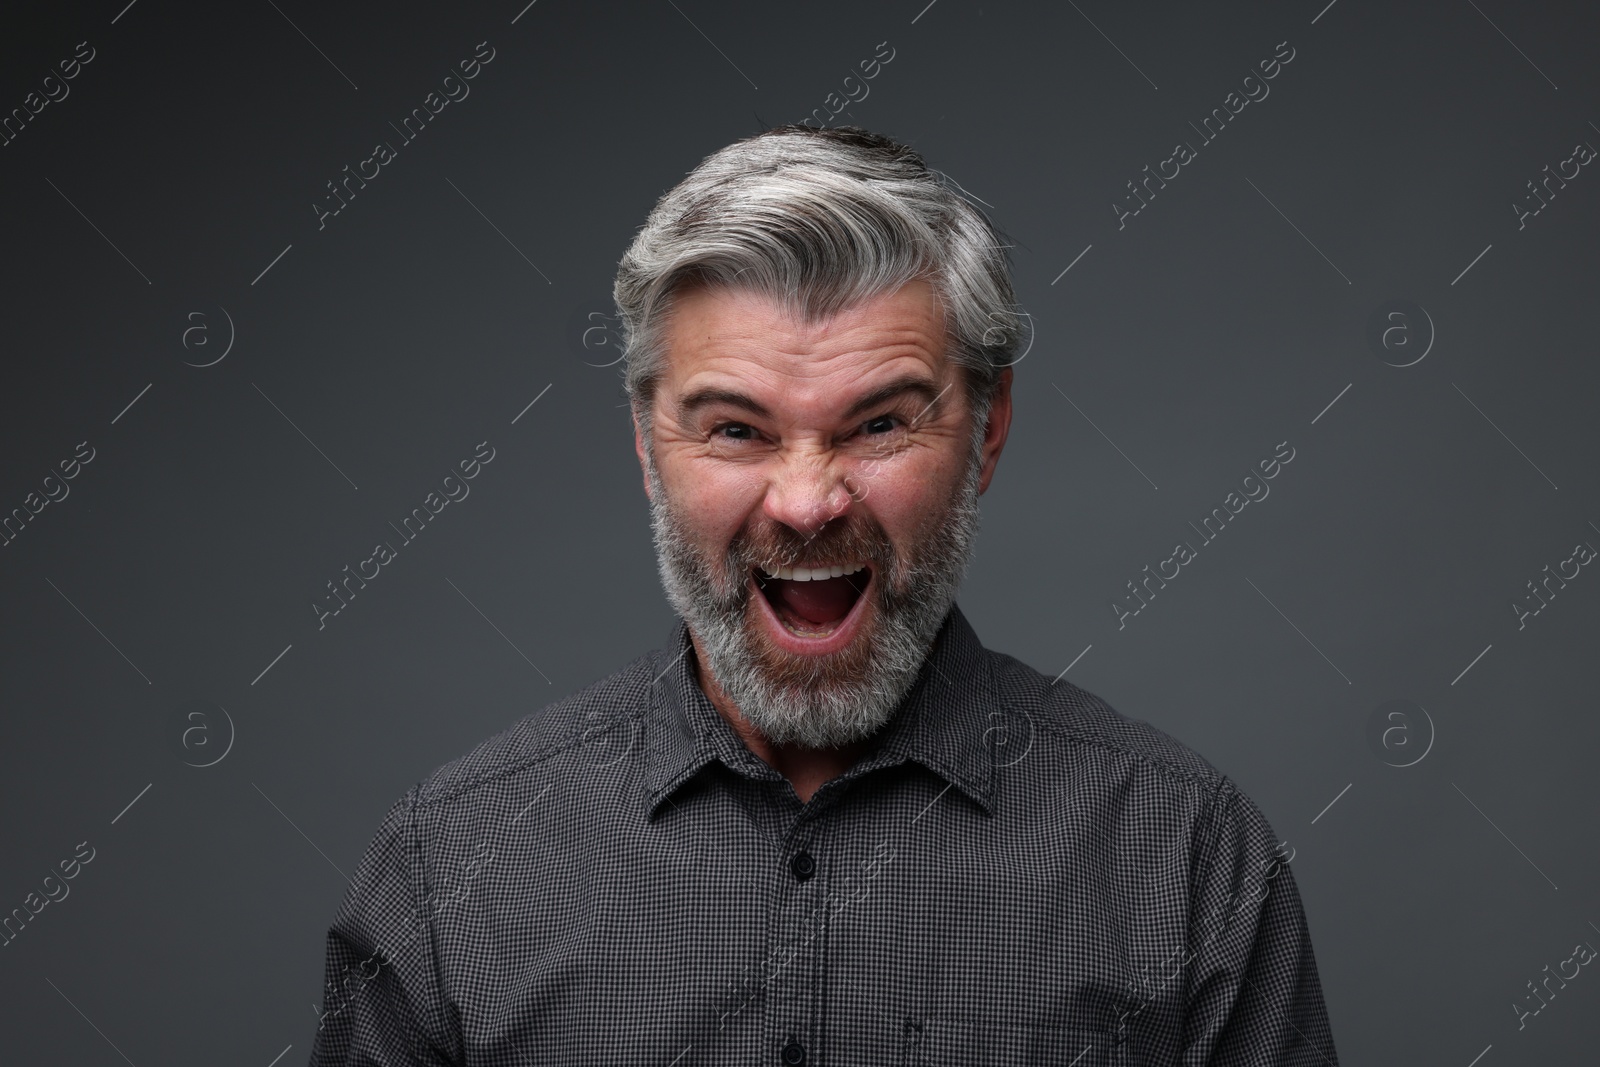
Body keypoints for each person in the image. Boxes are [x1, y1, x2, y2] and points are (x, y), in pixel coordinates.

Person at [308, 125, 1338, 1066]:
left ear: (986, 429)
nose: (806, 503)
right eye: (735, 428)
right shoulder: (452, 865)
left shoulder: (1187, 856)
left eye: (880, 423)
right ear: (644, 444)